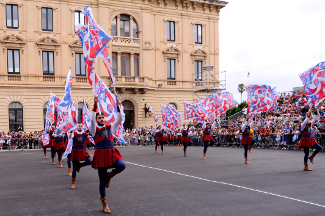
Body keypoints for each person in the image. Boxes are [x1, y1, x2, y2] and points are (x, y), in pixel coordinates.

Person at [89, 97, 125, 214]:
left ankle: (109, 177)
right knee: (101, 181)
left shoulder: (110, 127)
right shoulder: (93, 129)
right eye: (99, 118)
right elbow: (91, 120)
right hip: (100, 155)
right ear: (97, 119)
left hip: (111, 153)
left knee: (122, 165)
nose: (102, 119)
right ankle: (105, 204)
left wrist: (118, 106)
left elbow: (119, 119)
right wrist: (95, 104)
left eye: (103, 117)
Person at [68, 123, 92, 189]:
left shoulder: (84, 133)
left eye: (81, 126)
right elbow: (70, 136)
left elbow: (91, 136)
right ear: (77, 127)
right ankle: (73, 183)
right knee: (74, 168)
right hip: (75, 151)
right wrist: (71, 131)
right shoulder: (74, 133)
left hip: (82, 151)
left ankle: (80, 165)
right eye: (79, 126)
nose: (80, 127)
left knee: (90, 161)